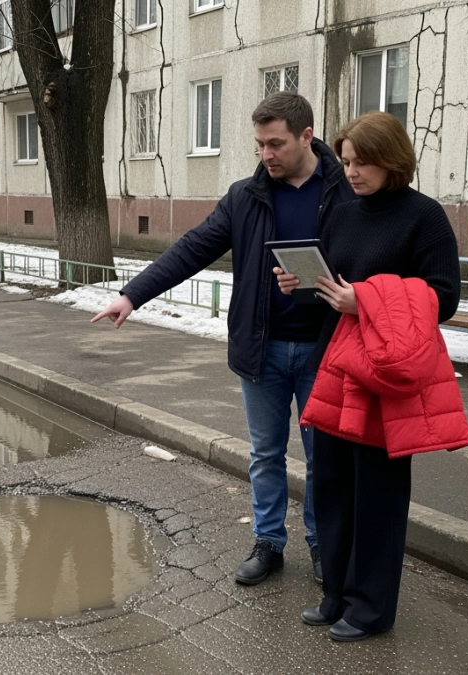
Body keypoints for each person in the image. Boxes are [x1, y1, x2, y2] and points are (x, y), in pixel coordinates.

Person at [92, 92, 356, 586]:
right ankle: (268, 543)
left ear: (306, 136)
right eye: (259, 145)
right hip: (263, 350)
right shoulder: (246, 196)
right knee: (264, 454)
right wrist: (132, 295)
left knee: (324, 457)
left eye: (275, 144)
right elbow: (193, 248)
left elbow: (371, 264)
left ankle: (324, 545)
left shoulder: (346, 192)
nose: (266, 155)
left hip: (328, 351)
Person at [276, 111, 467, 641]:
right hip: (335, 366)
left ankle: (371, 608)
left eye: (363, 161)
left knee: (378, 496)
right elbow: (336, 292)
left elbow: (443, 297)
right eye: (347, 160)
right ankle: (335, 593)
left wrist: (367, 300)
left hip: (386, 376)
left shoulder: (423, 217)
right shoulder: (342, 213)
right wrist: (308, 286)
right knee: (332, 486)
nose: (352, 171)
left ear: (392, 160)